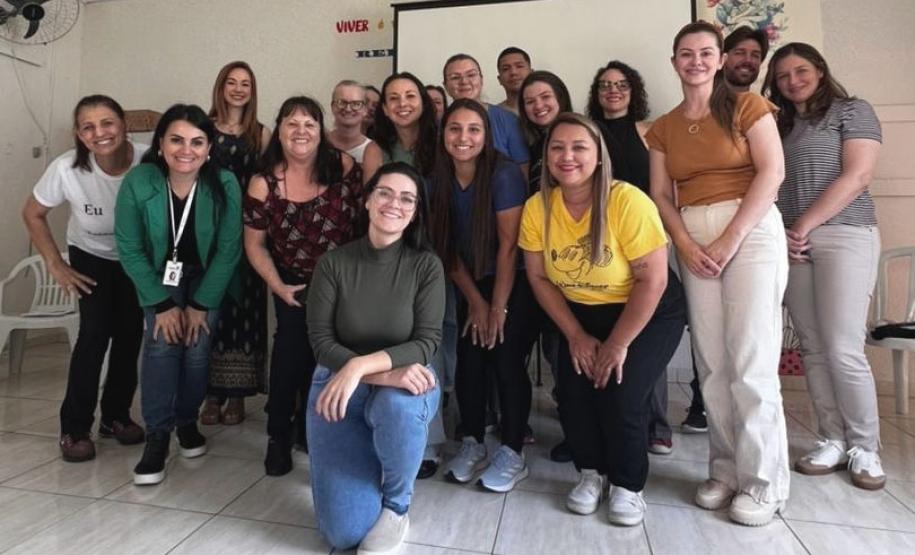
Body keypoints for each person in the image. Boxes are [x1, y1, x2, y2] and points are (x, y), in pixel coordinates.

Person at [646, 21, 789, 526]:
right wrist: (684, 243)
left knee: (751, 359)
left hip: (748, 231)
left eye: (706, 53)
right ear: (674, 62)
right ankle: (725, 471)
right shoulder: (662, 127)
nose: (696, 61)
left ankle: (764, 482)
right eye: (686, 53)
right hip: (693, 238)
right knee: (712, 362)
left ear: (722, 59)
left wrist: (729, 239)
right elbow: (662, 195)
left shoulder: (748, 106)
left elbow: (772, 172)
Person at [519, 112, 685, 526]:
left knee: (620, 392)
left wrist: (616, 344)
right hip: (580, 311)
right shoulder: (538, 207)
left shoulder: (627, 200)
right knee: (573, 394)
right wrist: (575, 334)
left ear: (599, 156)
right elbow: (539, 278)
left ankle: (628, 486)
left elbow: (653, 279)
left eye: (579, 147)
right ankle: (591, 473)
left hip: (646, 309)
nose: (567, 156)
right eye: (557, 147)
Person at [306, 162, 445, 553]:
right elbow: (320, 341)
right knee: (343, 535)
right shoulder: (334, 263)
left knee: (399, 408)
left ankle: (397, 505)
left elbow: (426, 342)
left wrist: (360, 365)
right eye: (385, 193)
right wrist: (376, 374)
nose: (394, 204)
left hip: (402, 381)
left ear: (416, 211)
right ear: (368, 199)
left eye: (407, 198)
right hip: (337, 387)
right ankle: (367, 471)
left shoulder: (425, 265)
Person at [764, 43, 885, 490]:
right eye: (782, 76)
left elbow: (858, 176)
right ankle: (832, 438)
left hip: (845, 235)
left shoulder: (851, 110)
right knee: (812, 346)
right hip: (793, 243)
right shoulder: (780, 125)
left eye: (800, 71)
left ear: (819, 69)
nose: (792, 81)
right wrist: (786, 234)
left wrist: (805, 225)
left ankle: (865, 447)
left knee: (842, 346)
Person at [115, 104, 242, 485]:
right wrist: (162, 303)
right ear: (160, 143)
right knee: (160, 345)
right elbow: (129, 247)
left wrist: (201, 305)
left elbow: (229, 247)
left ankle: (186, 422)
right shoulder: (140, 181)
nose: (186, 150)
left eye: (197, 142)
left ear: (208, 149)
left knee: (197, 348)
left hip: (208, 277)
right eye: (176, 140)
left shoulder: (225, 183)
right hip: (159, 276)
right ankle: (157, 435)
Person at [22, 95, 146, 463]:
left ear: (124, 124)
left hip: (135, 259)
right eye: (88, 127)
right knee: (94, 335)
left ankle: (115, 418)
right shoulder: (66, 169)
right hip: (90, 256)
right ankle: (74, 428)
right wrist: (55, 264)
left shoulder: (146, 160)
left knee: (129, 334)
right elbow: (32, 214)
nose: (99, 133)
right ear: (79, 134)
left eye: (107, 123)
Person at [244, 96, 363, 477]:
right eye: (291, 123)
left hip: (342, 283)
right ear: (278, 130)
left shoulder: (343, 167)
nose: (301, 131)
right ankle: (279, 435)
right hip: (292, 285)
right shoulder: (263, 183)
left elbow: (364, 223)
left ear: (321, 131)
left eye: (309, 124)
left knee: (327, 360)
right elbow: (254, 244)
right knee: (289, 359)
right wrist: (277, 285)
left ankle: (315, 433)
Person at [586, 60, 694, 455]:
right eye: (604, 85)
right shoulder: (587, 134)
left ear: (634, 92)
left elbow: (665, 190)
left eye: (621, 85)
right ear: (596, 94)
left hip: (643, 242)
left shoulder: (651, 132)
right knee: (606, 331)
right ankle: (603, 420)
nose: (613, 91)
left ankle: (657, 424)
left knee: (645, 335)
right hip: (597, 247)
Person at [431, 99, 537, 492]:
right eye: (454, 129)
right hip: (470, 284)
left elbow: (510, 247)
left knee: (506, 360)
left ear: (486, 135)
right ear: (443, 135)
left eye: (473, 129)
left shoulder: (505, 174)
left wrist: (498, 307)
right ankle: (472, 442)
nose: (463, 138)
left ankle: (512, 452)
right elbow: (447, 248)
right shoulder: (436, 177)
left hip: (513, 283)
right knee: (469, 363)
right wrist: (476, 302)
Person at [202, 60, 271, 427]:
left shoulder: (261, 133)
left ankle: (238, 396)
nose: (239, 89)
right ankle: (210, 394)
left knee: (244, 311)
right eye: (232, 82)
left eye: (246, 83)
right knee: (211, 310)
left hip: (247, 233)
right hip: (208, 232)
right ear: (221, 86)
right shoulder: (203, 128)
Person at [517, 70, 573, 462]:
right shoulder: (534, 147)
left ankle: (577, 428)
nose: (539, 106)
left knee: (568, 348)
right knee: (555, 347)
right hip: (540, 258)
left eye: (545, 97)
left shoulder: (578, 138)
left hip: (577, 263)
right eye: (530, 101)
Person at [442, 53, 530, 174]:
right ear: (445, 86)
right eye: (455, 77)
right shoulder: (439, 124)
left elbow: (523, 171)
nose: (464, 81)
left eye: (471, 75)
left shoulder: (508, 120)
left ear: (481, 79)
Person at [362, 72, 437, 183]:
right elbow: (371, 198)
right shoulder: (375, 150)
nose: (402, 103)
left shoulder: (442, 144)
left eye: (410, 96)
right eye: (393, 98)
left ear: (423, 103)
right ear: (385, 109)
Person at [327, 80, 376, 163]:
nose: (348, 109)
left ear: (365, 109)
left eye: (356, 104)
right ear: (332, 107)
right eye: (341, 102)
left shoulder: (374, 150)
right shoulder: (319, 144)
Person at [723, 25, 769, 91]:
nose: (748, 60)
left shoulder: (760, 101)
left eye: (755, 55)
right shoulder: (704, 99)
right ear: (724, 58)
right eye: (740, 53)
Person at [496, 46, 532, 115]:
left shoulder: (543, 111)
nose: (513, 72)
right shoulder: (492, 115)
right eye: (506, 69)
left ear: (531, 73)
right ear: (499, 79)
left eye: (519, 66)